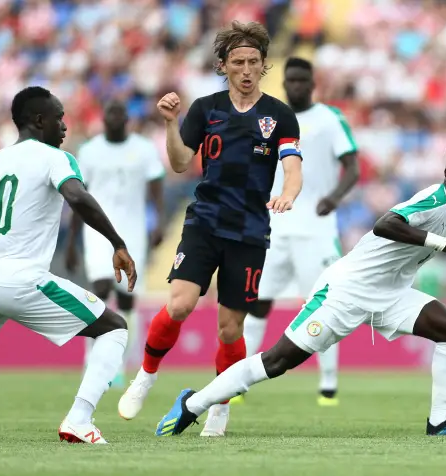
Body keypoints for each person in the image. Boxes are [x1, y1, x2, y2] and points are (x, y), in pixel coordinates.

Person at [155, 140, 446, 438]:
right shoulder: (432, 200)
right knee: (277, 361)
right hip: (346, 292)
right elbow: (386, 224)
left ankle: (440, 421)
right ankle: (191, 403)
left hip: (392, 296)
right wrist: (444, 245)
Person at [118, 21, 303, 439]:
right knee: (180, 305)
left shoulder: (279, 114)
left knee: (230, 328)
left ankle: (220, 405)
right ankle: (146, 376)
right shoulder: (206, 108)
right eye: (238, 62)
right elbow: (182, 162)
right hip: (205, 221)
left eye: (254, 62)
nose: (246, 69)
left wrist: (288, 194)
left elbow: (292, 167)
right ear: (223, 65)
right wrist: (170, 123)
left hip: (251, 231)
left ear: (263, 65)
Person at [0, 86, 137, 444]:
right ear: (38, 120)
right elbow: (77, 196)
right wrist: (118, 242)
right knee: (113, 328)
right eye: (59, 118)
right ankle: (79, 419)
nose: (64, 126)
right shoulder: (53, 157)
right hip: (20, 280)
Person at [241, 57, 359, 407]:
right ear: (284, 83)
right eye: (289, 80)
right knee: (257, 302)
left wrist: (334, 198)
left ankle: (328, 385)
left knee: (325, 304)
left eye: (301, 80)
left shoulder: (330, 119)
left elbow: (352, 166)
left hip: (316, 229)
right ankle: (239, 380)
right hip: (272, 227)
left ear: (312, 84)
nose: (295, 85)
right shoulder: (267, 118)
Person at [65, 100, 165, 387]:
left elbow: (156, 185)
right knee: (99, 290)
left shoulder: (143, 149)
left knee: (127, 300)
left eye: (121, 113)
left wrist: (158, 221)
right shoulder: (90, 151)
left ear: (127, 119)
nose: (116, 118)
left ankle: (120, 364)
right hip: (97, 232)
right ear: (104, 118)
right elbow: (78, 196)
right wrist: (72, 241)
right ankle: (92, 359)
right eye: (111, 113)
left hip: (133, 232)